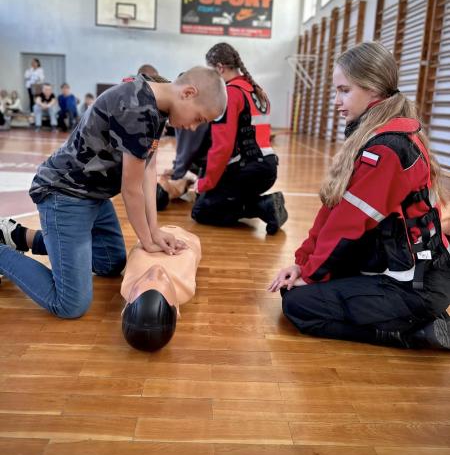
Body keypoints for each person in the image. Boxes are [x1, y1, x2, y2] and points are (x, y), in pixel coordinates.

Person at [0, 67, 227, 319]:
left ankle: (18, 235)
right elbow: (131, 190)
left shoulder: (159, 107)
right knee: (70, 304)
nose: (194, 127)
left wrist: (154, 231)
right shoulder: (138, 110)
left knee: (111, 262)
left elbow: (148, 170)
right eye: (199, 118)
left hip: (92, 196)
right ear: (188, 93)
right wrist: (147, 240)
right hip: (64, 195)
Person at [268, 41, 450, 350]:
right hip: (406, 272)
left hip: (413, 287)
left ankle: (418, 332)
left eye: (344, 90)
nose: (337, 101)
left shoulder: (385, 149)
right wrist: (301, 264)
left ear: (373, 89)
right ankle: (413, 320)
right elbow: (333, 212)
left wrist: (310, 277)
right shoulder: (378, 137)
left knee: (298, 305)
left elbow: (345, 228)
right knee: (298, 290)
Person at [191, 42, 287, 235]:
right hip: (267, 168)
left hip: (247, 170)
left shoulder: (229, 94)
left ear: (219, 68)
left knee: (201, 210)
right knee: (213, 198)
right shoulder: (256, 90)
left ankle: (263, 206)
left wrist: (205, 183)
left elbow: (222, 147)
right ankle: (261, 203)